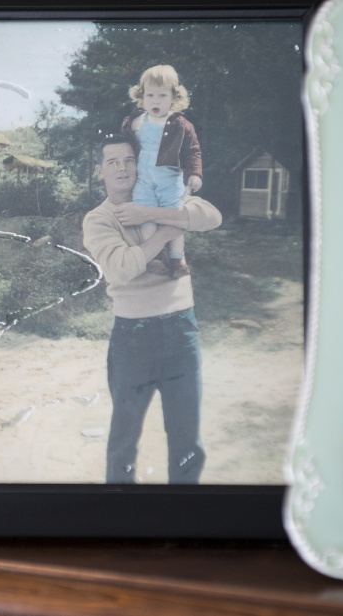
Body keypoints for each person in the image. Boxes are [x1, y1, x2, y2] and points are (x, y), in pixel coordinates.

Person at [82, 135, 221, 484]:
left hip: (181, 330)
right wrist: (167, 229)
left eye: (129, 160)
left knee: (187, 438)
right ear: (99, 171)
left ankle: (186, 526)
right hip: (133, 336)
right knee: (124, 440)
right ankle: (119, 525)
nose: (122, 168)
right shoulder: (98, 220)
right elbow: (122, 267)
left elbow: (211, 215)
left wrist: (149, 214)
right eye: (112, 162)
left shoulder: (162, 195)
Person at [120, 64, 203, 279]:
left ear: (174, 97)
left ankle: (177, 259)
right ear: (142, 96)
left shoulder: (180, 124)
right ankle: (157, 256)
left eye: (162, 95)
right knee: (144, 215)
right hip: (143, 179)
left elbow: (193, 150)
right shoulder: (136, 122)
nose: (155, 101)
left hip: (169, 178)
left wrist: (194, 173)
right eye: (150, 95)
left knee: (172, 217)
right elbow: (124, 146)